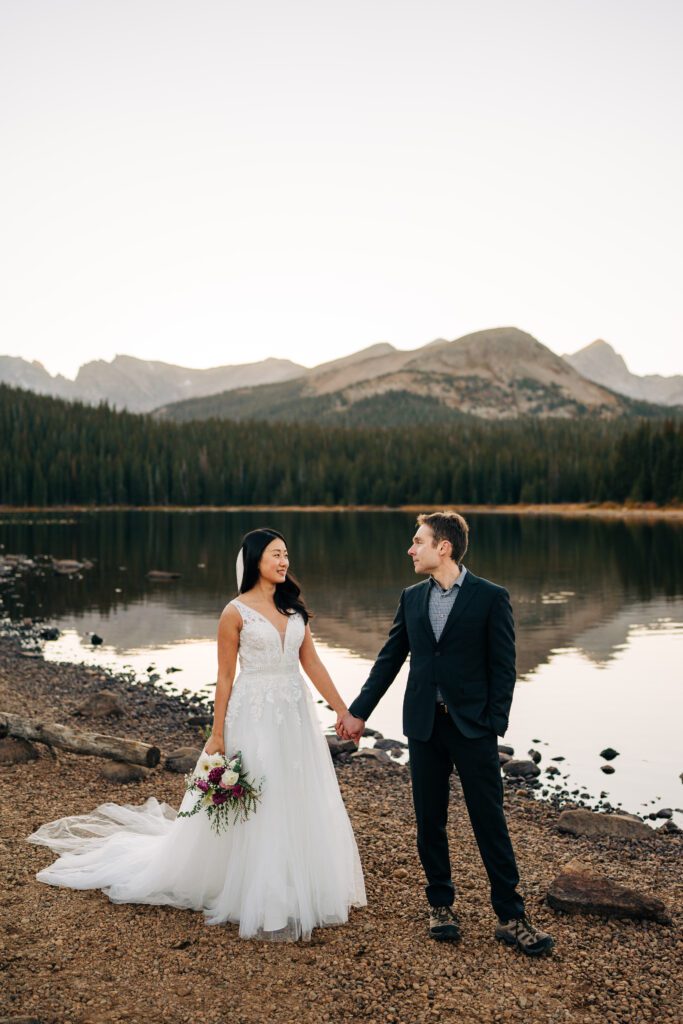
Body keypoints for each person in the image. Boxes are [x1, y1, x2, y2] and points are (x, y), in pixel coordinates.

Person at [27, 527, 366, 941]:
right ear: (256, 560)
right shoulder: (234, 612)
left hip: (293, 713)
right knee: (260, 792)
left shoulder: (294, 610)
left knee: (295, 790)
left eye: (286, 554)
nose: (284, 561)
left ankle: (298, 881)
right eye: (276, 554)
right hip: (253, 713)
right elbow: (224, 678)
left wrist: (344, 710)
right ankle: (256, 890)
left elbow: (312, 665)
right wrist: (217, 734)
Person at [337, 511, 553, 956]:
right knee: (429, 819)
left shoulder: (491, 597)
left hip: (472, 728)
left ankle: (511, 916)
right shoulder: (412, 597)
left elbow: (504, 669)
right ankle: (441, 906)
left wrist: (493, 723)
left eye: (418, 541)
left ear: (444, 548)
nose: (411, 549)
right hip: (423, 726)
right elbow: (389, 659)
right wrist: (357, 712)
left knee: (488, 820)